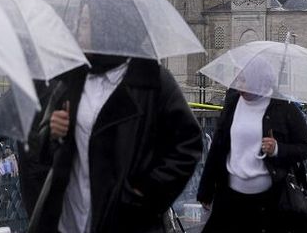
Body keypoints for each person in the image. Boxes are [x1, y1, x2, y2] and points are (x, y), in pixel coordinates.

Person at [26, 53, 202, 233]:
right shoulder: (72, 79)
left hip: (124, 221)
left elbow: (188, 144)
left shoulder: (151, 79)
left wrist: (144, 193)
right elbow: (41, 145)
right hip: (69, 220)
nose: (79, 32)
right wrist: (52, 132)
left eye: (86, 24)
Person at [196, 64, 307, 233]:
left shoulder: (285, 109)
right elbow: (218, 147)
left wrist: (278, 149)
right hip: (229, 197)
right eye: (238, 79)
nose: (239, 85)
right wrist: (206, 189)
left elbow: (305, 148)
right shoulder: (232, 104)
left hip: (269, 201)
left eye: (244, 80)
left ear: (261, 82)